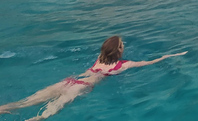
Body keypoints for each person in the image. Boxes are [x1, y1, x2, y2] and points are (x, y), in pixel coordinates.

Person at [0, 36, 186, 120]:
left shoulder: (99, 58)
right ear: (120, 51)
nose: (124, 46)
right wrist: (169, 56)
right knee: (47, 113)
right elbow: (150, 63)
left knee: (26, 102)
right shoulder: (124, 64)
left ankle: (3, 108)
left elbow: (107, 51)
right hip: (80, 88)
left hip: (69, 81)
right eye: (122, 45)